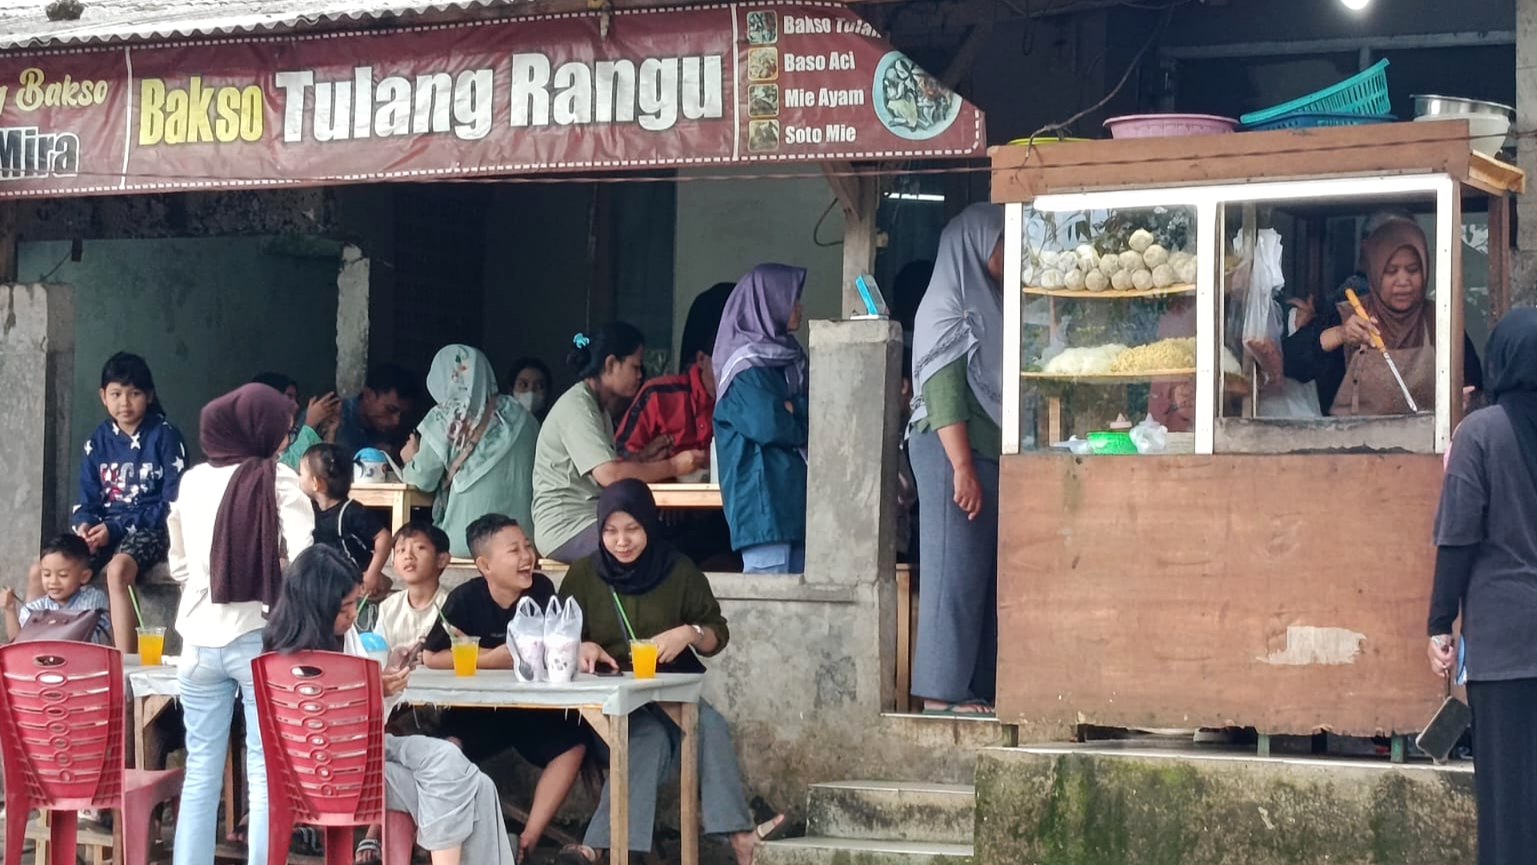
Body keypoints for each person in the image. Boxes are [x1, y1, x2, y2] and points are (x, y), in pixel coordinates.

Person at [556, 480, 786, 865]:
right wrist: (580, 646)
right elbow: (557, 636)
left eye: (632, 529)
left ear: (650, 523)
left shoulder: (678, 570)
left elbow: (717, 634)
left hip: (669, 693)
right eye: (611, 531)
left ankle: (738, 836)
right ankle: (596, 849)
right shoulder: (583, 575)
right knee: (646, 740)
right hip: (610, 704)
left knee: (709, 724)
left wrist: (690, 633)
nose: (621, 541)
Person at [263, 545, 517, 865]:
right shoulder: (301, 661)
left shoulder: (276, 655)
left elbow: (363, 721)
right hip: (338, 773)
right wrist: (373, 692)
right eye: (346, 608)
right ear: (319, 607)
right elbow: (338, 731)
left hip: (365, 755)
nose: (354, 614)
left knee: (463, 773)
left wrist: (384, 681)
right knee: (466, 784)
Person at [168, 383, 316, 865]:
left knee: (201, 770)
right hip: (258, 637)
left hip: (195, 640)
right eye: (281, 433)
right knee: (264, 769)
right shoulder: (279, 480)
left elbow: (181, 567)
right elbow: (304, 562)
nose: (283, 442)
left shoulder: (192, 482)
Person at [1428, 308, 1537, 865]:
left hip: (1506, 648)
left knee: (1509, 804)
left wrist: (1439, 626)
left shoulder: (1482, 433)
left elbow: (1458, 537)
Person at [420, 514, 587, 859]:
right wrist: (489, 658)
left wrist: (498, 655)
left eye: (528, 546)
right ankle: (436, 839)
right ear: (485, 565)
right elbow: (432, 656)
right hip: (475, 712)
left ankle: (526, 840)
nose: (527, 556)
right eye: (514, 550)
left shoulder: (541, 590)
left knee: (573, 746)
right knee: (447, 749)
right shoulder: (465, 599)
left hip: (530, 710)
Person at [908, 204, 1005, 716]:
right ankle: (939, 695)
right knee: (953, 573)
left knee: (979, 577)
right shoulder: (948, 306)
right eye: (1002, 243)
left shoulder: (992, 305)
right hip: (951, 452)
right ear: (973, 244)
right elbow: (943, 391)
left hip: (978, 455)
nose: (1011, 255)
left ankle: (972, 688)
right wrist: (963, 468)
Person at [47, 352, 187, 656]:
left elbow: (171, 504)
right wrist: (84, 527)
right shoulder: (97, 440)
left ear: (149, 395)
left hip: (152, 528)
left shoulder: (165, 436)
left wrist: (114, 528)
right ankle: (43, 656)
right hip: (104, 530)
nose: (124, 402)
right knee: (49, 566)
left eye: (134, 393)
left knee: (117, 570)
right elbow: (87, 499)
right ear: (103, 396)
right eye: (116, 393)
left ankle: (124, 667)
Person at [533, 324, 706, 562]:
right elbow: (610, 475)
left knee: (670, 542)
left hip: (591, 519)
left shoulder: (597, 407)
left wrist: (641, 458)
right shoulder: (577, 407)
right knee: (653, 554)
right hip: (567, 527)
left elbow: (603, 467)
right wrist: (674, 466)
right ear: (611, 364)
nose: (639, 375)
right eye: (635, 366)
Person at [1283, 217, 1483, 416]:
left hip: (1426, 445)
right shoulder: (1345, 315)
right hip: (1350, 444)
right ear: (1374, 271)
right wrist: (1340, 334)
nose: (1403, 281)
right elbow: (1288, 363)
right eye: (1391, 271)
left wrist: (1464, 403)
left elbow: (1475, 389)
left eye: (1413, 270)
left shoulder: (1440, 321)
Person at [712, 264, 810, 574]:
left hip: (795, 508)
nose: (799, 307)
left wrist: (795, 408)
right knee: (772, 607)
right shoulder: (743, 366)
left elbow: (823, 409)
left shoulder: (788, 357)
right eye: (791, 298)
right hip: (763, 509)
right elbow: (771, 424)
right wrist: (799, 414)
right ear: (769, 302)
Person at [400, 345, 538, 558]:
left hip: (467, 543)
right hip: (524, 544)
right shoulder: (524, 417)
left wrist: (411, 459)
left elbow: (422, 480)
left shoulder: (445, 418)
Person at [615, 284, 733, 460]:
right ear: (701, 359)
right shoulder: (658, 395)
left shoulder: (743, 402)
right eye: (724, 362)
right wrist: (644, 458)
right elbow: (619, 459)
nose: (731, 371)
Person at [300, 443, 393, 601]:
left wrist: (373, 573)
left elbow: (384, 537)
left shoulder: (352, 512)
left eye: (301, 474)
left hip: (359, 584)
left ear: (316, 484)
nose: (298, 479)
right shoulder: (309, 509)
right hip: (329, 583)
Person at [2, 534, 111, 645]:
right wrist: (10, 610)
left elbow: (85, 633)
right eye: (47, 574)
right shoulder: (35, 608)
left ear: (84, 576)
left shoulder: (93, 599)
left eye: (63, 575)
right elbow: (18, 645)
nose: (53, 581)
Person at [373, 521, 452, 651]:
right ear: (394, 565)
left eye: (420, 548)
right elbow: (378, 651)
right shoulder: (388, 608)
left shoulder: (451, 605)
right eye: (401, 550)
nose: (408, 556)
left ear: (441, 559)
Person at [252, 372, 340, 471]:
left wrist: (330, 432)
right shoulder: (254, 438)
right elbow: (287, 469)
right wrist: (310, 425)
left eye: (296, 399)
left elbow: (323, 470)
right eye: (289, 397)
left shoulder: (293, 433)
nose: (296, 405)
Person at [335, 363, 422, 459]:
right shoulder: (338, 416)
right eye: (391, 409)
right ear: (368, 396)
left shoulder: (388, 433)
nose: (396, 421)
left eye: (402, 415)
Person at [506, 357, 554, 424]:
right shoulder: (498, 426)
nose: (531, 390)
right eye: (523, 385)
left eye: (539, 386)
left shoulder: (554, 425)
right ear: (511, 390)